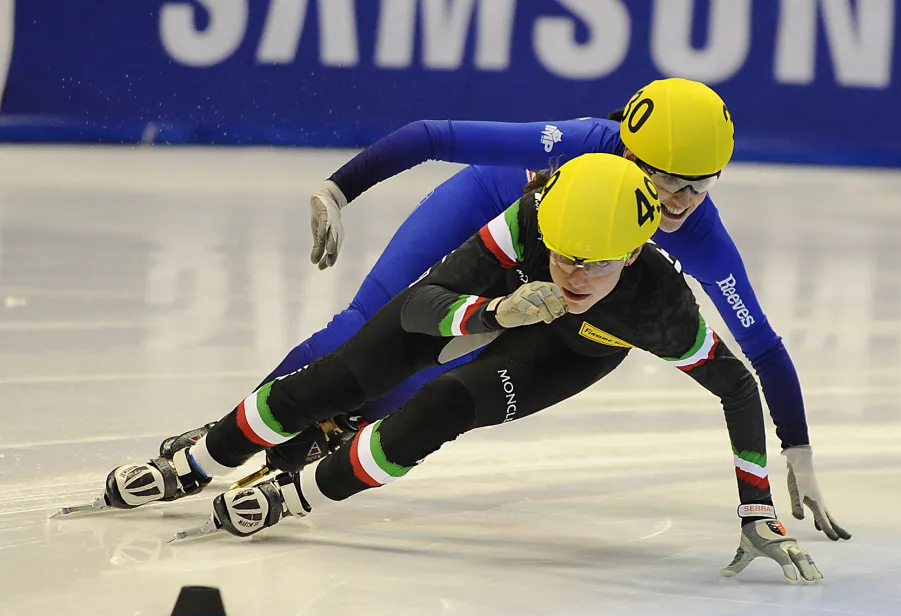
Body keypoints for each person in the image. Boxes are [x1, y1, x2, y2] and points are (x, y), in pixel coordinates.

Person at [161, 77, 848, 540]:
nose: (678, 205)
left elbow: (759, 346)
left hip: (557, 259)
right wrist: (340, 188)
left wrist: (798, 450)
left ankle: (330, 434)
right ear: (628, 152)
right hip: (494, 206)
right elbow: (436, 135)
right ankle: (234, 427)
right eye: (664, 183)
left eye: (697, 188)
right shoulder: (580, 140)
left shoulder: (697, 231)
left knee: (444, 369)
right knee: (370, 330)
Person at [100, 154, 824, 583]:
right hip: (504, 304)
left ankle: (296, 499)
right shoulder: (535, 215)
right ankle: (195, 463)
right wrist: (494, 313)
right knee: (340, 374)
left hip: (571, 351)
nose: (573, 274)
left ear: (633, 254)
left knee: (445, 401)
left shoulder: (659, 309)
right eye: (565, 254)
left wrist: (755, 504)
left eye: (594, 264)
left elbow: (734, 383)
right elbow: (422, 310)